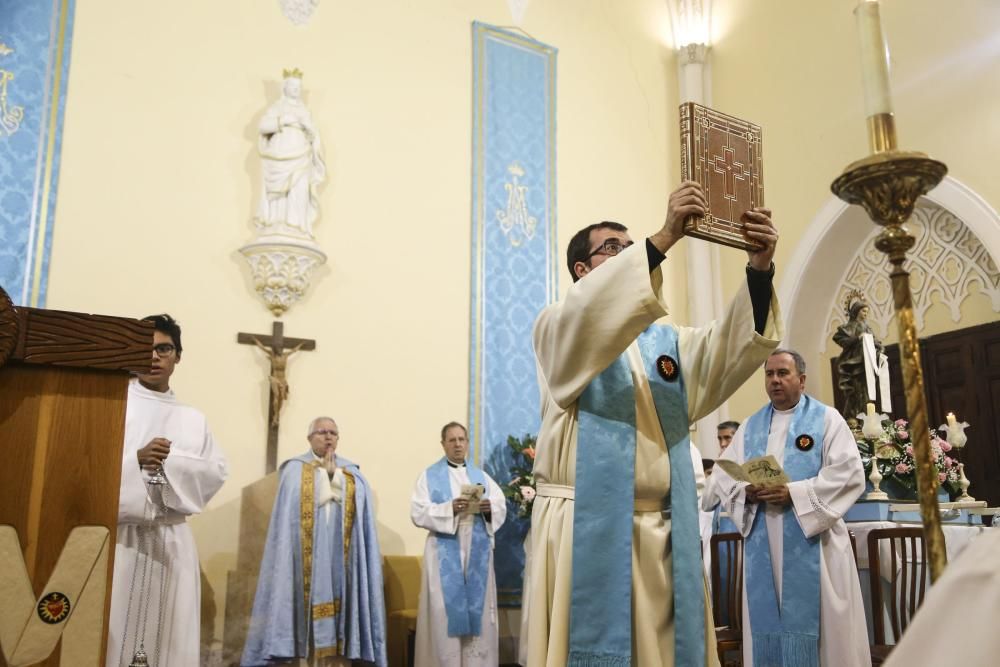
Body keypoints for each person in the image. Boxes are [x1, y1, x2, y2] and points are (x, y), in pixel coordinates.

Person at [520, 180, 783, 667]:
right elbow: (590, 315)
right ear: (582, 270)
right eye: (613, 249)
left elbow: (728, 350)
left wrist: (759, 268)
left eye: (629, 247)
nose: (627, 257)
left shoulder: (666, 345)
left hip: (663, 532)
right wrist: (661, 239)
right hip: (587, 530)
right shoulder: (556, 326)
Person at [711, 349, 870, 667]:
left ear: (802, 379)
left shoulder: (827, 419)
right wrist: (748, 492)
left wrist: (794, 493)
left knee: (824, 632)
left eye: (783, 373)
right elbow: (723, 474)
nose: (774, 381)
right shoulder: (751, 426)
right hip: (763, 541)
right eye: (769, 374)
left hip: (814, 542)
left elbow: (849, 473)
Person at [108, 314, 229, 667]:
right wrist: (136, 460)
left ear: (178, 355)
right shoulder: (113, 405)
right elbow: (88, 468)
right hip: (120, 538)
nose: (155, 357)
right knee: (114, 629)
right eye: (146, 349)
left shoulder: (193, 418)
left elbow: (214, 473)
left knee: (169, 635)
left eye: (164, 348)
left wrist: (168, 462)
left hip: (170, 539)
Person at [242, 417, 387, 667]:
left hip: (341, 558)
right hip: (302, 561)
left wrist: (337, 477)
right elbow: (291, 510)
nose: (328, 437)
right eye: (322, 432)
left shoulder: (352, 472)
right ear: (309, 438)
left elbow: (360, 505)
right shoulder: (294, 470)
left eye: (333, 433)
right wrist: (326, 478)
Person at [410, 422, 507, 666]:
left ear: (467, 442)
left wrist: (488, 509)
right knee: (444, 611)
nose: (457, 444)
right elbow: (418, 512)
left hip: (477, 549)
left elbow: (500, 504)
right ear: (443, 444)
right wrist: (448, 509)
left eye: (461, 439)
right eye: (452, 440)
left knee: (479, 610)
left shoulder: (481, 476)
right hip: (445, 547)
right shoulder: (429, 476)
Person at [256, 69, 326, 237]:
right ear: (285, 88)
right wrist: (282, 121)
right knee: (281, 192)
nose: (296, 90)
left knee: (299, 187)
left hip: (301, 155)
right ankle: (277, 222)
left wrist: (310, 132)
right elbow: (263, 126)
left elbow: (313, 135)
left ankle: (296, 225)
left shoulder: (305, 110)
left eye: (298, 87)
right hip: (280, 154)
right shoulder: (278, 107)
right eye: (293, 86)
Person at [832, 294, 888, 422]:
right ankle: (853, 416)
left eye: (867, 311)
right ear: (856, 311)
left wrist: (880, 349)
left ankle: (866, 418)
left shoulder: (867, 327)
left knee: (867, 393)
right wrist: (857, 338)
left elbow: (875, 342)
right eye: (863, 311)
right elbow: (840, 339)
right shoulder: (848, 327)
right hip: (854, 364)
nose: (865, 314)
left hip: (867, 364)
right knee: (855, 392)